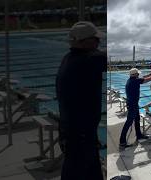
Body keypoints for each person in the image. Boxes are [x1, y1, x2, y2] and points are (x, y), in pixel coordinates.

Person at [56, 21, 106, 180]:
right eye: (96, 39)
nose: (99, 43)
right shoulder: (88, 60)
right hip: (80, 135)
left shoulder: (68, 58)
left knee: (91, 171)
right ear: (83, 41)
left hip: (73, 131)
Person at [119, 68, 151, 149]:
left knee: (137, 120)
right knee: (128, 123)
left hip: (133, 104)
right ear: (135, 74)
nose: (138, 75)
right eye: (137, 74)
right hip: (132, 106)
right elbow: (146, 80)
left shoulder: (131, 80)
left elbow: (144, 77)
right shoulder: (135, 81)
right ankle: (122, 142)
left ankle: (139, 135)